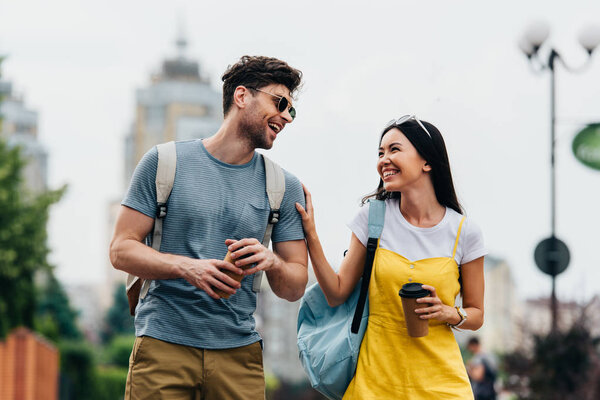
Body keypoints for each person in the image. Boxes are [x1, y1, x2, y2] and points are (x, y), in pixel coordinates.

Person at [110, 55, 308, 400]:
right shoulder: (164, 163)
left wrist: (271, 260)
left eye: (291, 110)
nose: (286, 117)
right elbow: (120, 249)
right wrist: (188, 267)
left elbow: (294, 286)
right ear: (242, 96)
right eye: (280, 103)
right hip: (162, 345)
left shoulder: (284, 187)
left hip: (239, 354)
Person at [296, 115, 487, 399]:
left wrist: (450, 313)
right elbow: (336, 293)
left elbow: (476, 313)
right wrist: (311, 235)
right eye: (380, 152)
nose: (384, 159)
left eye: (394, 150)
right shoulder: (372, 218)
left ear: (427, 162)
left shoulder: (464, 232)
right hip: (375, 382)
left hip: (442, 384)